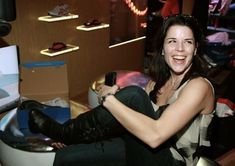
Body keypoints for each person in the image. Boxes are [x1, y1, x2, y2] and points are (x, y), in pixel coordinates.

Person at [24, 14, 215, 166]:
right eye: (172, 41)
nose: (180, 49)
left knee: (133, 94)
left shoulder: (199, 86)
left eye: (188, 42)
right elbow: (131, 122)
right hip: (144, 149)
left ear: (196, 49)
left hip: (173, 161)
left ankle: (64, 131)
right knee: (67, 157)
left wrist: (109, 99)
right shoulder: (156, 83)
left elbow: (155, 136)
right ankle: (68, 134)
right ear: (163, 49)